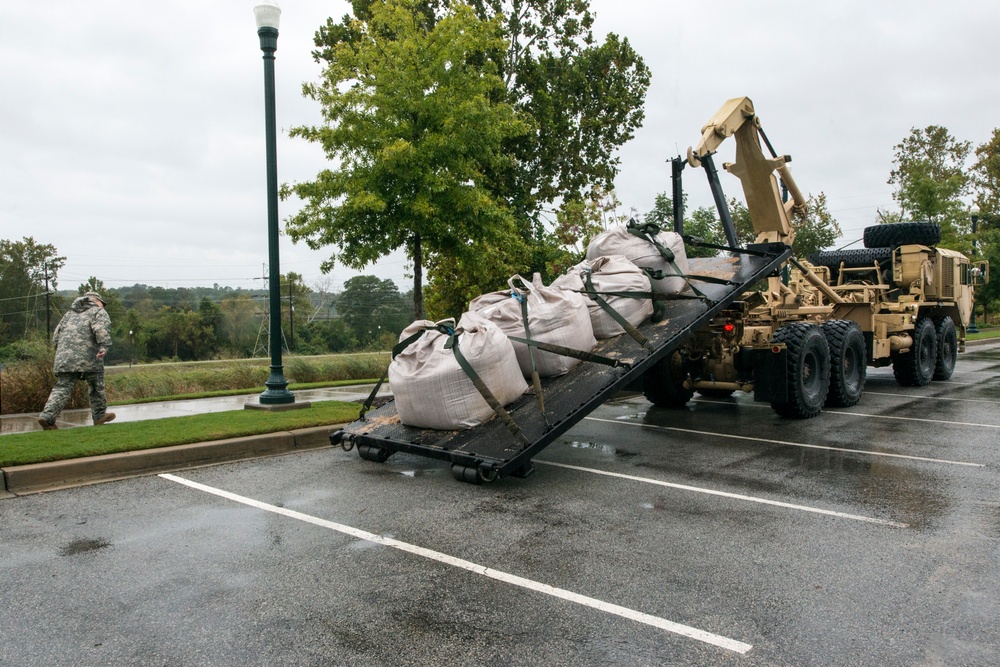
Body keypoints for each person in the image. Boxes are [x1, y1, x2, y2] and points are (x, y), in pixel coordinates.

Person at [37, 291, 116, 430]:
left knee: (62, 387)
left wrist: (61, 353)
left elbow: (56, 336)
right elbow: (101, 329)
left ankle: (47, 417)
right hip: (89, 356)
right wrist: (104, 347)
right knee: (96, 385)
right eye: (101, 303)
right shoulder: (98, 312)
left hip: (64, 357)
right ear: (95, 300)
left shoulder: (68, 314)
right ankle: (99, 416)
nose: (103, 306)